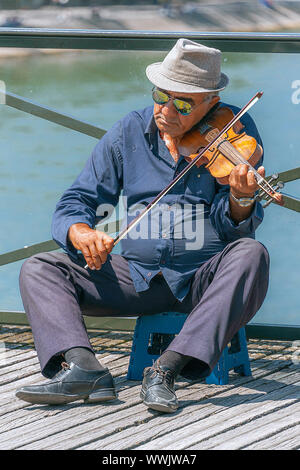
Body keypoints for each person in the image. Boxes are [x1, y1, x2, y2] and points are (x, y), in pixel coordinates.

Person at [16, 39, 269, 413]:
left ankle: (166, 369)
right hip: (136, 277)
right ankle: (86, 369)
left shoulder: (235, 133)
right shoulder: (129, 131)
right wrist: (79, 231)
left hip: (203, 280)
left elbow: (236, 230)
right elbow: (77, 201)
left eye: (182, 104)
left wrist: (242, 199)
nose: (166, 109)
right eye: (160, 95)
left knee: (252, 254)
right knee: (40, 268)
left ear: (210, 104)